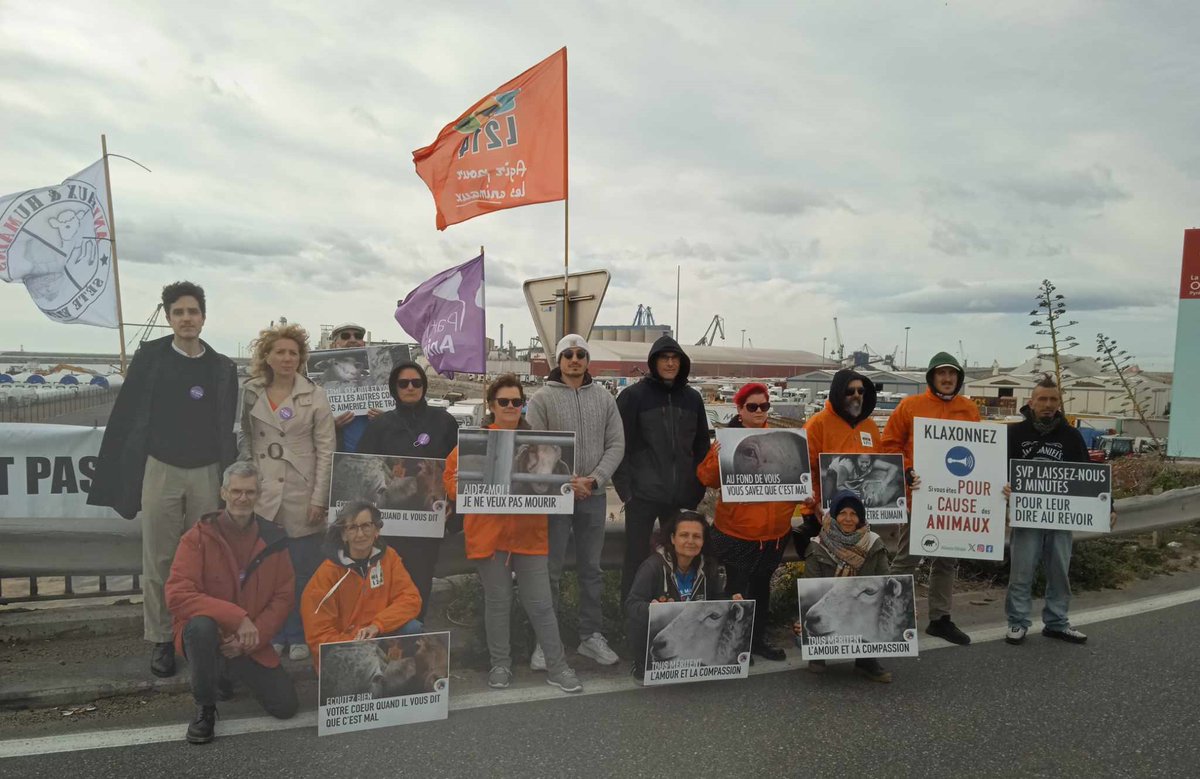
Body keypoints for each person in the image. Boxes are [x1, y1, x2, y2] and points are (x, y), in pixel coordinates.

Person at [89, 281, 238, 678]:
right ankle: (159, 637)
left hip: (208, 472)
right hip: (161, 468)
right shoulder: (151, 357)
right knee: (159, 559)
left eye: (193, 312)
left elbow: (227, 425)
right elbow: (128, 415)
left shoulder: (222, 367)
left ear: (203, 318)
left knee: (205, 561)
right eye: (178, 312)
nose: (186, 319)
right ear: (169, 318)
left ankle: (198, 634)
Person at [442, 374, 583, 694]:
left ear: (523, 406)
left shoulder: (541, 442)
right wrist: (465, 484)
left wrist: (567, 485)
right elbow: (449, 481)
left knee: (541, 604)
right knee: (498, 602)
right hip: (489, 537)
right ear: (491, 405)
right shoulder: (473, 440)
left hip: (530, 536)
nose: (510, 407)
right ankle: (500, 664)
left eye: (516, 402)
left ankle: (558, 666)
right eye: (503, 401)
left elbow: (557, 482)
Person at [165, 462, 299, 745]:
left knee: (285, 707)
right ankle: (205, 707)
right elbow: (177, 594)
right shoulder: (197, 537)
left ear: (259, 494)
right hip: (209, 638)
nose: (242, 498)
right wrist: (237, 618)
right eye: (236, 491)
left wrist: (251, 637)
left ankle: (227, 672)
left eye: (250, 492)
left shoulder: (274, 538)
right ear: (223, 492)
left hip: (250, 640)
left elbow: (283, 596)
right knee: (200, 627)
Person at [526, 334, 626, 670]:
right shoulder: (541, 398)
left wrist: (594, 479)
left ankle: (590, 636)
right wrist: (564, 481)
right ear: (558, 359)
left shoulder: (604, 398)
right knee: (550, 571)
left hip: (594, 496)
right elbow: (534, 446)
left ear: (587, 359)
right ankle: (546, 641)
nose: (574, 359)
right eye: (567, 354)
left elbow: (616, 445)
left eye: (580, 353)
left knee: (591, 570)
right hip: (554, 499)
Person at [239, 323, 335, 662]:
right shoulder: (250, 392)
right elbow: (246, 441)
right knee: (265, 573)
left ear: (301, 358)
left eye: (293, 353)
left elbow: (326, 451)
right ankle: (272, 632)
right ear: (266, 356)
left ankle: (297, 632)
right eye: (280, 351)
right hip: (263, 493)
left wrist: (319, 499)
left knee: (301, 571)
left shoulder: (315, 394)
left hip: (301, 492)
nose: (286, 358)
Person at [1002, 375, 1113, 646]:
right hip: (1026, 516)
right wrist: (1003, 491)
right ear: (1031, 402)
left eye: (1053, 399)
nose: (1048, 404)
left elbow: (1091, 475)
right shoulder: (1014, 434)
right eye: (1043, 399)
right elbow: (995, 470)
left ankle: (1057, 622)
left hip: (1062, 516)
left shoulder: (1071, 436)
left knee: (1059, 572)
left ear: (1059, 403)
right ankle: (1017, 623)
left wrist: (1109, 504)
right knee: (1021, 572)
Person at [882, 352, 979, 646]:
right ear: (932, 378)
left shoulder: (969, 408)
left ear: (958, 379)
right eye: (941, 374)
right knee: (906, 560)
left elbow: (982, 452)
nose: (947, 379)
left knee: (947, 560)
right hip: (918, 497)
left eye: (952, 374)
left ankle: (940, 619)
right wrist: (906, 471)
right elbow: (889, 446)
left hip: (954, 500)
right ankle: (891, 618)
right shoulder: (910, 406)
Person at [696, 382, 796, 661]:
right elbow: (707, 478)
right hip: (736, 531)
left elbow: (792, 479)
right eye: (752, 406)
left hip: (774, 533)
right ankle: (735, 642)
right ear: (740, 410)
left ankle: (757, 639)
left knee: (762, 589)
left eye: (764, 406)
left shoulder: (781, 440)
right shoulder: (726, 441)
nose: (759, 411)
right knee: (737, 589)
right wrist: (718, 457)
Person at [357, 361, 459, 621]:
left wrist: (452, 505)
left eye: (417, 383)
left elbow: (458, 467)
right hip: (387, 523)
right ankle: (386, 634)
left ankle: (415, 633)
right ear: (394, 388)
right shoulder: (380, 425)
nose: (411, 387)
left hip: (427, 520)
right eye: (404, 383)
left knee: (420, 580)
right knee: (384, 582)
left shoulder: (444, 422)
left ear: (424, 387)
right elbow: (363, 469)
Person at [614, 335, 710, 603]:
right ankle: (631, 616)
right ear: (653, 362)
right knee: (636, 558)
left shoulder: (692, 399)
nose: (670, 363)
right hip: (642, 495)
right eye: (664, 358)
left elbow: (702, 445)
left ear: (682, 363)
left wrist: (697, 488)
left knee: (679, 559)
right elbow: (618, 446)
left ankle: (671, 616)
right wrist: (627, 492)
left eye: (674, 358)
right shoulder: (633, 397)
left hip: (680, 497)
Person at [301, 501, 424, 668]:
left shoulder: (389, 557)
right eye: (352, 528)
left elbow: (410, 599)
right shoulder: (327, 574)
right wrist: (357, 643)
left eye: (366, 525)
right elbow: (318, 636)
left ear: (377, 530)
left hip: (379, 635)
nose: (360, 534)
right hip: (347, 647)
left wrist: (378, 625)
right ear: (343, 535)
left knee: (413, 628)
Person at [794, 489, 893, 682]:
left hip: (861, 608)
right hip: (831, 606)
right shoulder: (817, 545)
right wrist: (800, 619)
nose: (848, 519)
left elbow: (885, 581)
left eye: (854, 514)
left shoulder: (873, 543)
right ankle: (818, 654)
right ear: (834, 515)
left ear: (861, 518)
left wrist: (903, 605)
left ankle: (866, 661)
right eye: (842, 513)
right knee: (804, 629)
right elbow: (809, 583)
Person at [624, 509, 730, 683]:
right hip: (658, 640)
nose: (690, 541)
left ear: (703, 541)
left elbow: (718, 600)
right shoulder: (652, 567)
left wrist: (732, 604)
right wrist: (654, 609)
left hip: (691, 638)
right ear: (673, 538)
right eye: (684, 535)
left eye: (696, 536)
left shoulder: (709, 566)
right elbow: (631, 606)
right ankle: (642, 663)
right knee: (643, 618)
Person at [796, 369, 882, 561]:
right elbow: (804, 470)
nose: (856, 396)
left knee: (857, 572)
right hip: (822, 516)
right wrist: (816, 503)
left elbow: (877, 468)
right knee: (826, 573)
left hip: (861, 516)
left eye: (861, 391)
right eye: (850, 391)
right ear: (838, 392)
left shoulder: (871, 427)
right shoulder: (817, 424)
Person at [326, 322, 383, 453]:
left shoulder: (379, 381)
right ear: (334, 345)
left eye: (358, 336)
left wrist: (386, 419)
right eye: (345, 336)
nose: (352, 340)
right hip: (336, 458)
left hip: (373, 457)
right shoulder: (318, 385)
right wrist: (329, 425)